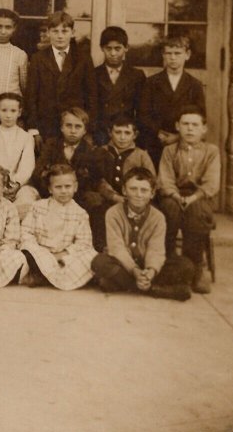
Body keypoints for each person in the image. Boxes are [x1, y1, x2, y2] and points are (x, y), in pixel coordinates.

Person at [92, 167, 195, 301]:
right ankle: (154, 290)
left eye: (144, 190)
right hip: (125, 265)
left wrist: (150, 272)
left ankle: (126, 285)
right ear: (124, 190)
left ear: (152, 194)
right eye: (133, 189)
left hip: (147, 266)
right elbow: (116, 248)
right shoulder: (113, 213)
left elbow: (156, 250)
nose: (138, 194)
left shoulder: (158, 217)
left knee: (186, 266)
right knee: (99, 262)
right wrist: (135, 271)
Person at [157, 105, 219, 294]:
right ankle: (170, 263)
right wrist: (176, 196)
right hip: (174, 194)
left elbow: (211, 183)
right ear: (177, 126)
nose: (190, 129)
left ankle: (195, 268)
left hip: (199, 196)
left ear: (204, 128)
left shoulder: (211, 151)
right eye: (185, 124)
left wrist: (192, 198)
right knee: (169, 211)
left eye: (195, 124)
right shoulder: (169, 150)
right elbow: (165, 179)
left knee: (197, 213)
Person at [31, 107, 105, 249]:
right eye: (68, 126)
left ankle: (91, 245)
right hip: (51, 192)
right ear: (61, 128)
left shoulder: (90, 151)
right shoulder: (52, 145)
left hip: (77, 194)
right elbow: (38, 172)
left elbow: (93, 179)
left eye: (78, 127)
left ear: (84, 130)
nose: (73, 130)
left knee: (94, 201)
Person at [20, 164, 97, 290]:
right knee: (26, 251)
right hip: (40, 251)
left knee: (90, 256)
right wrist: (37, 249)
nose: (63, 191)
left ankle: (44, 276)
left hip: (64, 255)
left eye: (68, 186)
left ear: (75, 187)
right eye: (58, 187)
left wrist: (63, 254)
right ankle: (40, 273)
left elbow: (84, 242)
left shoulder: (80, 213)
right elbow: (26, 231)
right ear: (50, 189)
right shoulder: (38, 207)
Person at [26, 11, 97, 142]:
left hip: (75, 127)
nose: (60, 36)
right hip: (46, 126)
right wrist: (33, 128)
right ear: (48, 32)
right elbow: (31, 95)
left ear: (73, 32)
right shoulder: (38, 58)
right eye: (55, 31)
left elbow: (91, 95)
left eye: (64, 31)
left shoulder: (83, 58)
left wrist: (88, 129)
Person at [138, 35, 206, 164]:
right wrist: (158, 133)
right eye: (168, 53)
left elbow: (200, 116)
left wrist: (178, 136)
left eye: (177, 53)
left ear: (187, 54)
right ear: (163, 55)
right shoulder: (151, 83)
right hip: (156, 142)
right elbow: (143, 114)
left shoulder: (194, 85)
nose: (173, 58)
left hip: (184, 142)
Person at [0, 93, 38, 219]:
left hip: (21, 185)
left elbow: (28, 165)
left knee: (27, 201)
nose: (8, 115)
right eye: (4, 110)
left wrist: (17, 183)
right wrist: (1, 184)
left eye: (13, 111)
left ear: (19, 112)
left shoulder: (26, 137)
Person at [93, 26, 145, 146]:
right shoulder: (93, 74)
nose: (113, 53)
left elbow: (142, 111)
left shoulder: (136, 75)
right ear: (102, 48)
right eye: (108, 48)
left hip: (126, 134)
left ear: (126, 48)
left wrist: (133, 135)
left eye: (118, 48)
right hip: (100, 135)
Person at [91, 114, 156, 207]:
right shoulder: (100, 152)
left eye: (127, 133)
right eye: (118, 132)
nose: (122, 137)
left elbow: (151, 180)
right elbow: (96, 179)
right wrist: (113, 196)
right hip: (106, 199)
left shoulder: (141, 155)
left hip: (135, 199)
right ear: (110, 132)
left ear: (135, 135)